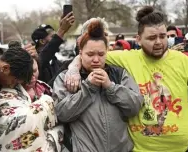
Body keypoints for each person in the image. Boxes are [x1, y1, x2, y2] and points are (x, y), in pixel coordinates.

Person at [64, 6, 188, 152]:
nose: (158, 42)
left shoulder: (183, 61)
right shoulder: (126, 58)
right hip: (140, 149)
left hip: (183, 148)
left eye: (162, 36)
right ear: (138, 39)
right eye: (152, 38)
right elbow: (91, 55)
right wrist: (73, 69)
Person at [53, 20, 143, 152]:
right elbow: (61, 114)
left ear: (107, 52)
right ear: (80, 53)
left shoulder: (119, 73)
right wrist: (88, 87)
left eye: (101, 54)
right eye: (90, 54)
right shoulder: (67, 78)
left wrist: (110, 87)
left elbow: (134, 107)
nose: (96, 59)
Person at [0, 43, 63, 151]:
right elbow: (12, 123)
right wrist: (47, 102)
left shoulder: (46, 89)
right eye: (26, 75)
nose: (31, 77)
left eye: (34, 71)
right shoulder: (4, 92)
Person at [31, 12, 75, 84]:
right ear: (42, 41)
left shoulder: (54, 61)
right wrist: (62, 30)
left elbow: (66, 65)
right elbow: (44, 56)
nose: (58, 39)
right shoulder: (35, 62)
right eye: (52, 37)